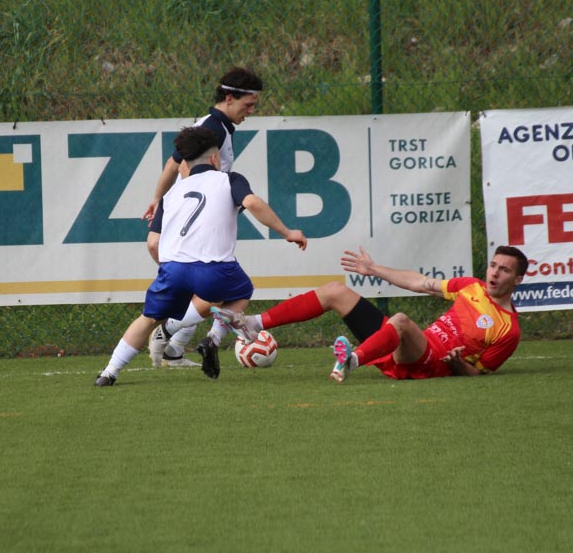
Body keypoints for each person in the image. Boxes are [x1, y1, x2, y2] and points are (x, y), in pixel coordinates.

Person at [94, 126, 306, 386]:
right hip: (214, 268)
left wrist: (169, 269)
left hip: (173, 268)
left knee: (148, 319)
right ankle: (213, 339)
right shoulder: (229, 179)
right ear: (215, 158)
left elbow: (153, 243)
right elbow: (252, 203)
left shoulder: (170, 195)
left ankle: (109, 372)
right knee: (241, 292)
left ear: (184, 163)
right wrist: (287, 232)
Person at [212, 245, 528, 381]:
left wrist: (458, 363)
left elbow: (479, 375)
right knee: (335, 291)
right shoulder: (471, 286)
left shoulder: (508, 330)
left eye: (504, 270)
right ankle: (253, 323)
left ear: (517, 279)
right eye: (493, 265)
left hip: (425, 363)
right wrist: (373, 269)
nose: (494, 272)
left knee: (401, 321)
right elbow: (420, 283)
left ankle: (350, 361)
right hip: (399, 345)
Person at [142, 67, 264, 369]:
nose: (251, 111)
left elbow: (173, 165)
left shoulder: (217, 126)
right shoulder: (214, 129)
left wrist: (157, 199)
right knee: (216, 288)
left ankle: (175, 348)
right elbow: (174, 165)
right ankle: (172, 334)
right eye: (248, 104)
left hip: (189, 214)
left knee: (210, 291)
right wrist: (158, 199)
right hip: (193, 215)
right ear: (229, 97)